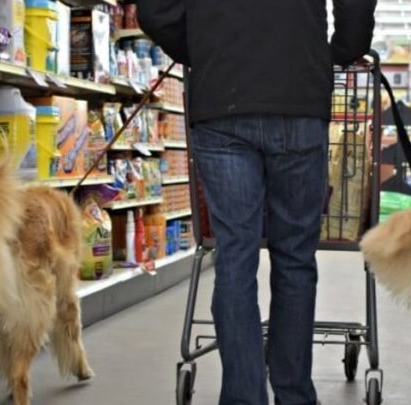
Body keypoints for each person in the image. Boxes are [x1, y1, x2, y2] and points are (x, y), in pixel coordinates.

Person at [139, 1, 376, 404]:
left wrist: (206, 47)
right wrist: (338, 51)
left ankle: (243, 396)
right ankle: (294, 394)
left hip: (221, 98)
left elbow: (154, 11)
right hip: (298, 95)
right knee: (295, 257)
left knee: (234, 256)